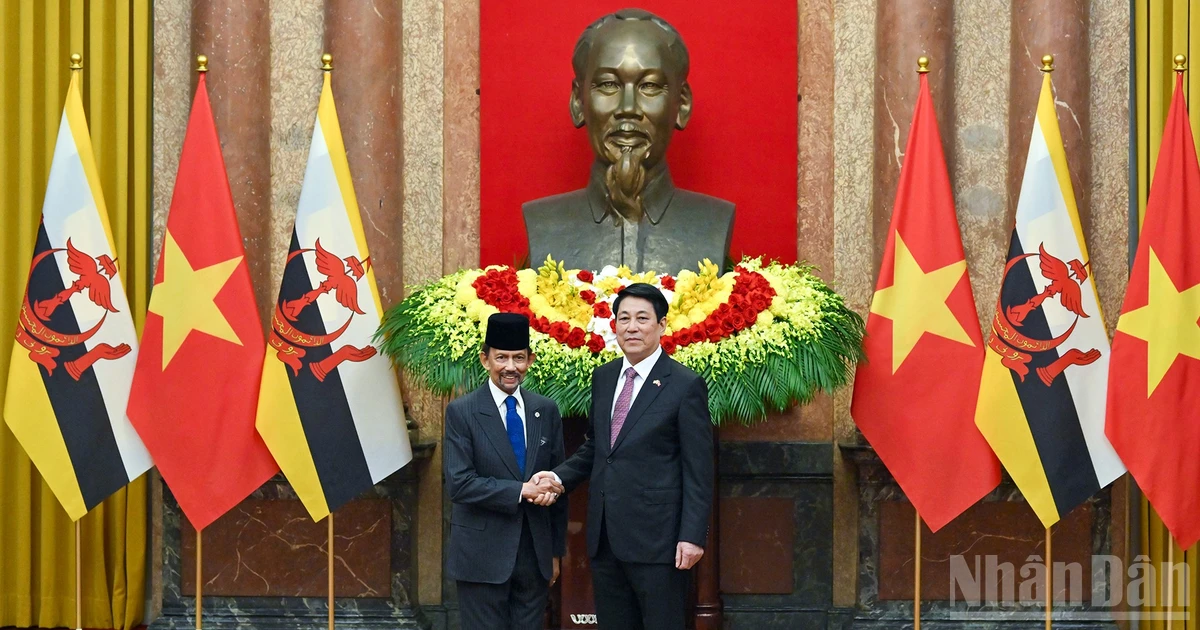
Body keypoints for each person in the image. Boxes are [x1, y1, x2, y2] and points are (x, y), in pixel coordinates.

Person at [534, 283, 714, 630]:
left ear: (662, 325)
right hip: (606, 539)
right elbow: (598, 446)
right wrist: (557, 479)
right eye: (624, 318)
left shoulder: (683, 384)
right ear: (613, 325)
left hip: (660, 542)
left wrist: (692, 536)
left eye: (642, 318)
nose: (632, 327)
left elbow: (699, 469)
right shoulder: (604, 377)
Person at [522, 8, 734, 273]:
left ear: (681, 104)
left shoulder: (714, 222)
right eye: (608, 84)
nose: (628, 108)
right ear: (578, 102)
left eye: (650, 86)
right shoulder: (544, 223)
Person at [444, 312, 567, 630]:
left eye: (519, 358)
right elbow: (459, 483)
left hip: (534, 558)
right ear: (485, 360)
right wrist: (521, 490)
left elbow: (558, 484)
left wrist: (554, 554)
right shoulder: (462, 411)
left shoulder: (546, 410)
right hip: (481, 558)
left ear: (531, 360)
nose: (511, 367)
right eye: (502, 358)